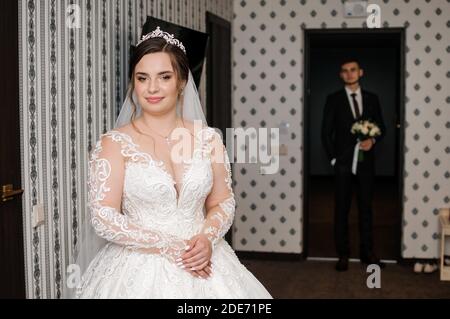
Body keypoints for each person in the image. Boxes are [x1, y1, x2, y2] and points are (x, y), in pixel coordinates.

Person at [66, 27, 272, 298]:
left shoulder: (209, 139)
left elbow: (222, 202)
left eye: (164, 77)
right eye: (142, 78)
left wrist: (207, 238)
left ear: (182, 81)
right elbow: (104, 217)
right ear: (134, 83)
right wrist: (170, 246)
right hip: (136, 269)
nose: (152, 88)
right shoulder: (114, 144)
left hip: (206, 258)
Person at [321, 58, 386, 272]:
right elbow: (326, 133)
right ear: (341, 75)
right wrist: (334, 159)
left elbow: (382, 127)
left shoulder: (372, 99)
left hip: (366, 165)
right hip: (343, 165)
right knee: (342, 209)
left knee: (366, 209)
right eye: (345, 71)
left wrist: (373, 140)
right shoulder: (334, 99)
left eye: (353, 70)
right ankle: (343, 254)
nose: (349, 74)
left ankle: (368, 253)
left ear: (361, 72)